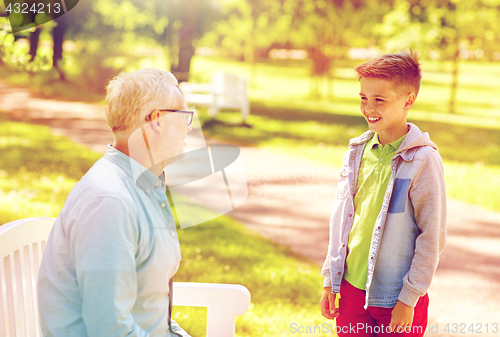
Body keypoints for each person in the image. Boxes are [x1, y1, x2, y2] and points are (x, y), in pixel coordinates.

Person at [37, 69, 193, 337]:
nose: (188, 127)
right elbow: (109, 329)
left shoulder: (145, 187)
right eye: (183, 117)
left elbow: (151, 311)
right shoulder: (109, 203)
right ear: (156, 121)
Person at [319, 51, 446, 337]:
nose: (368, 108)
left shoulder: (423, 159)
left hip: (395, 296)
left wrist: (409, 298)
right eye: (363, 97)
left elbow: (432, 235)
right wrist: (331, 278)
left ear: (408, 100)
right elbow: (341, 220)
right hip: (351, 290)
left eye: (379, 99)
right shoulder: (356, 152)